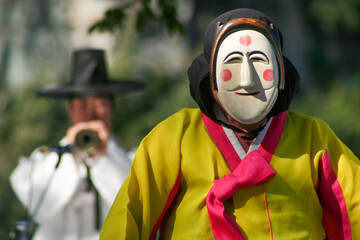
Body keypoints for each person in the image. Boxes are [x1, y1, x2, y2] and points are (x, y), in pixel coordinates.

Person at [99, 8, 360, 239]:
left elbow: (355, 208)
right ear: (210, 78)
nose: (247, 79)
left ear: (281, 74)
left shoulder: (314, 137)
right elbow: (127, 222)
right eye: (233, 62)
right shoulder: (173, 139)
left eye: (259, 60)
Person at [9, 48, 145, 240]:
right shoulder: (44, 160)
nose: (90, 115)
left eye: (99, 105)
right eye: (82, 106)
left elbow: (137, 205)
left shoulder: (134, 160)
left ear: (112, 109)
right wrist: (71, 152)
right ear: (70, 110)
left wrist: (105, 155)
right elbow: (40, 207)